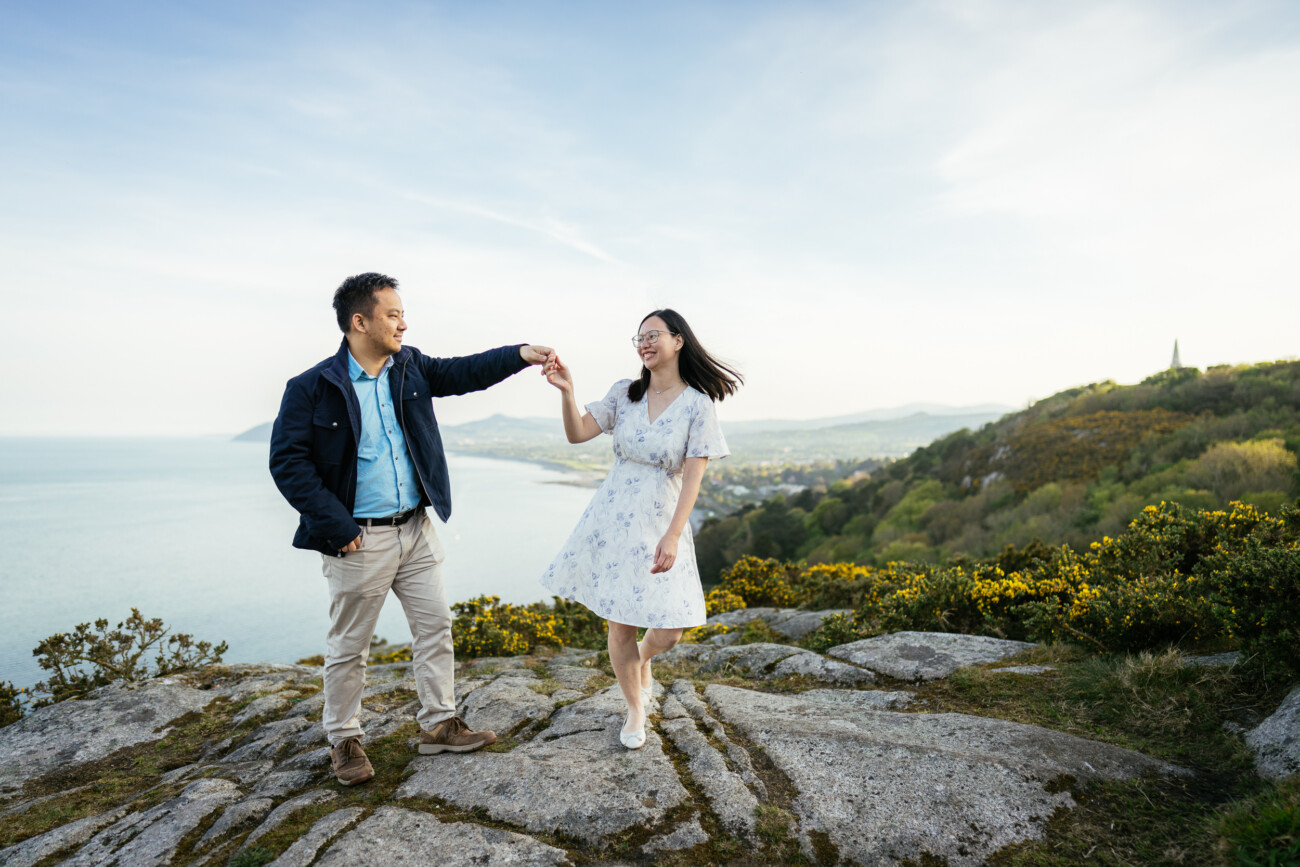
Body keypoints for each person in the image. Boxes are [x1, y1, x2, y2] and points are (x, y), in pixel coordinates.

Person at [269, 272, 553, 786]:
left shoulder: (410, 367)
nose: (404, 322)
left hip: (417, 529)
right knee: (350, 646)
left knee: (435, 629)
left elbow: (462, 372)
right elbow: (288, 463)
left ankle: (439, 725)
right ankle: (344, 740)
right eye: (393, 314)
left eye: (402, 314)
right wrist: (336, 524)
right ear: (360, 322)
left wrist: (519, 354)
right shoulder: (310, 388)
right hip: (358, 538)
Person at [539, 309, 740, 749]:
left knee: (669, 630)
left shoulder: (698, 404)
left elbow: (693, 476)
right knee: (621, 624)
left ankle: (644, 660)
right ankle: (634, 709)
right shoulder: (624, 394)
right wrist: (568, 392)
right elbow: (578, 433)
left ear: (678, 340)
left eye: (653, 335)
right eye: (639, 338)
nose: (644, 344)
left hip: (662, 519)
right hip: (613, 517)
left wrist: (672, 534)